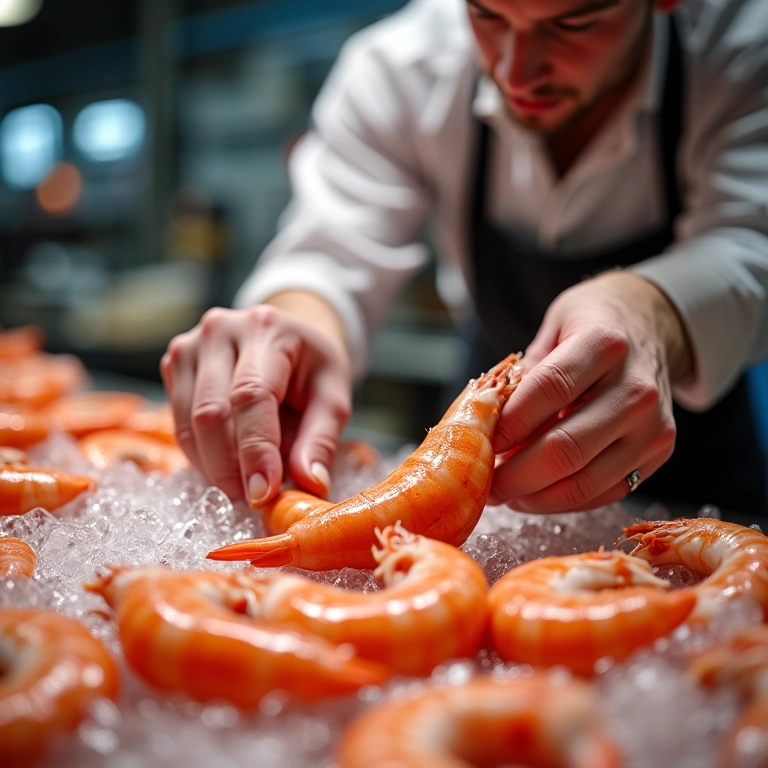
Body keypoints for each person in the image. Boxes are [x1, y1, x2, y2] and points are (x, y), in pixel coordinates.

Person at [161, 0, 768, 519]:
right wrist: (289, 328)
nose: (516, 69)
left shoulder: (743, 45)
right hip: (489, 459)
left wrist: (652, 315)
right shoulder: (401, 68)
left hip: (704, 471)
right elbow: (329, 252)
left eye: (575, 23)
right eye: (486, 14)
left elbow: (752, 240)